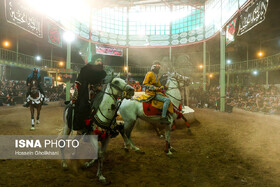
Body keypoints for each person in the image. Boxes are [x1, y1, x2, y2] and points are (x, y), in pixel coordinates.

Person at [71, 54, 107, 128]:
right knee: (83, 106)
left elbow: (104, 82)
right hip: (85, 92)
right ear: (94, 61)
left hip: (99, 92)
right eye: (98, 61)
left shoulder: (103, 72)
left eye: (101, 61)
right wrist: (95, 87)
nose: (100, 62)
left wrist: (101, 87)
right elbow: (80, 82)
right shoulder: (85, 69)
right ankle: (81, 126)